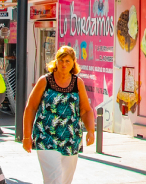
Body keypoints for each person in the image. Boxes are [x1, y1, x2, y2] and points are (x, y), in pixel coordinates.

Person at [21, 46, 94, 184]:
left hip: (71, 139)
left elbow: (85, 110)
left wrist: (90, 131)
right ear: (56, 61)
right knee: (54, 179)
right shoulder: (45, 81)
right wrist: (26, 136)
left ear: (73, 63)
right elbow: (30, 108)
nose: (64, 64)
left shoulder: (78, 83)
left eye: (67, 61)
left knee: (65, 181)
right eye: (61, 60)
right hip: (46, 137)